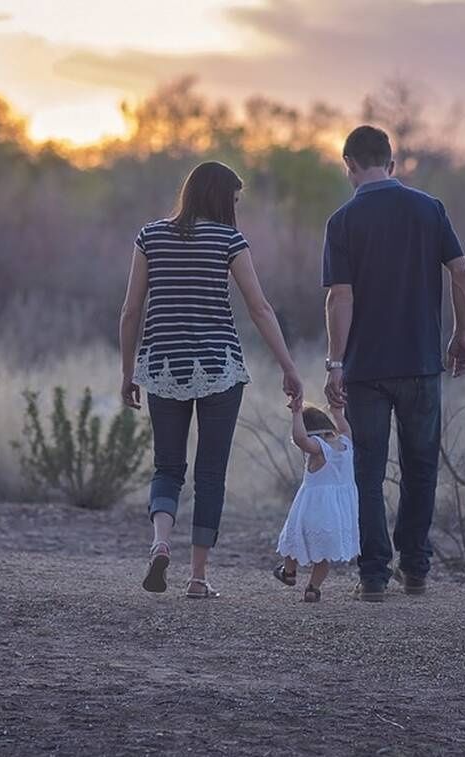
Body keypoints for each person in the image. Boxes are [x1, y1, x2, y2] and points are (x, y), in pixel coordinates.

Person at [119, 160, 303, 599]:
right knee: (210, 474)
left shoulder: (150, 237)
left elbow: (130, 311)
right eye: (234, 200)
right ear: (222, 198)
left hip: (162, 366)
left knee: (167, 467)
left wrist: (128, 372)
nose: (236, 209)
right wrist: (288, 366)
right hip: (219, 367)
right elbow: (259, 308)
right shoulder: (229, 240)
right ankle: (198, 578)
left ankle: (161, 542)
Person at [321, 126, 465, 602]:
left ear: (348, 164)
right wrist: (462, 333)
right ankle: (415, 569)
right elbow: (461, 271)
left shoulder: (342, 221)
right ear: (392, 162)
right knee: (420, 466)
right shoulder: (429, 210)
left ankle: (373, 576)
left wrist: (335, 362)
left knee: (367, 471)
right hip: (421, 362)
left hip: (366, 369)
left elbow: (339, 297)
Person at [273, 402, 360, 603]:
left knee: (293, 540)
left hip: (312, 508)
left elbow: (300, 438)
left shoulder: (319, 448)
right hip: (337, 513)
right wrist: (337, 412)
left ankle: (289, 572)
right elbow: (345, 427)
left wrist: (296, 414)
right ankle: (313, 588)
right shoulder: (346, 443)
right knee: (323, 554)